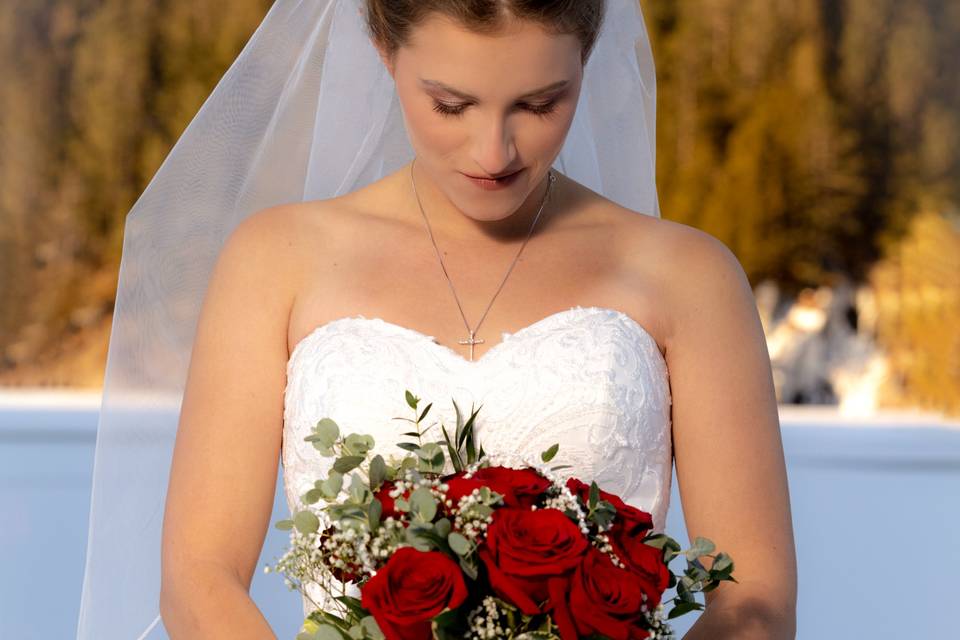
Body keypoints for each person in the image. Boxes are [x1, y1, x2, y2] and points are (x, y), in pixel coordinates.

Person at [78, 1, 797, 638]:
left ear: (589, 54)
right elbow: (199, 577)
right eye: (451, 104)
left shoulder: (689, 277)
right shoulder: (276, 260)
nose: (495, 151)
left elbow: (756, 599)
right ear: (383, 47)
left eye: (542, 102)